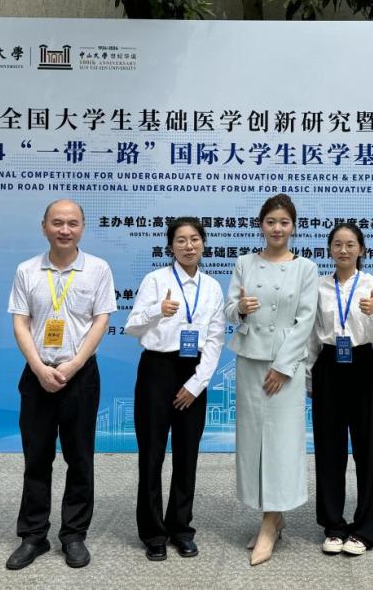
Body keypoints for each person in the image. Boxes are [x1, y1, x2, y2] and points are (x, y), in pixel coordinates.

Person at [5, 199, 116, 570]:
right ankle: (33, 535)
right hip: (38, 375)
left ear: (82, 227)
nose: (64, 230)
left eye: (72, 223)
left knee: (79, 458)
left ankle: (73, 535)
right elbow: (20, 323)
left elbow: (101, 321)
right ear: (44, 226)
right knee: (36, 457)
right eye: (57, 223)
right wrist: (39, 368)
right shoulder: (27, 270)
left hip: (80, 376)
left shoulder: (98, 269)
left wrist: (73, 365)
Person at [225, 193, 319, 566]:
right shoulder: (244, 262)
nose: (277, 228)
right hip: (250, 361)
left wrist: (283, 366)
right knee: (253, 441)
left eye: (284, 222)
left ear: (293, 227)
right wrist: (240, 309)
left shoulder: (306, 268)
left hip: (286, 366)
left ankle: (271, 521)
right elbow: (229, 309)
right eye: (270, 222)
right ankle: (270, 515)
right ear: (260, 225)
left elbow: (305, 321)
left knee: (282, 442)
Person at [125, 217, 226, 561]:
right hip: (157, 369)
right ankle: (153, 533)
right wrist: (158, 311)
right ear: (170, 246)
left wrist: (197, 383)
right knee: (151, 454)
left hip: (193, 371)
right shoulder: (156, 280)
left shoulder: (212, 287)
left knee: (187, 455)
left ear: (203, 243)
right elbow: (132, 327)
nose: (188, 246)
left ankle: (181, 528)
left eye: (194, 239)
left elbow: (216, 339)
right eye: (181, 240)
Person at [307, 223, 373, 556]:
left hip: (362, 364)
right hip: (328, 365)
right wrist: (309, 378)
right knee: (329, 449)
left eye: (350, 244)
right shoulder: (318, 287)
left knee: (367, 449)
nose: (343, 250)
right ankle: (333, 526)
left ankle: (363, 529)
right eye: (337, 244)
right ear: (330, 249)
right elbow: (312, 337)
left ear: (361, 249)